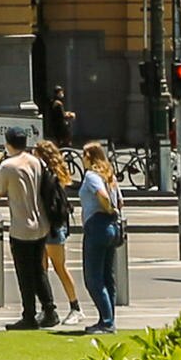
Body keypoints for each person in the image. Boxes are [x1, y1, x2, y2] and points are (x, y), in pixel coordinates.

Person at [0, 133, 56, 329]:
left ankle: (29, 315)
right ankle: (49, 309)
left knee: (24, 273)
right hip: (40, 222)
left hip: (21, 226)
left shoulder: (7, 166)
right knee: (38, 270)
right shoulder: (36, 162)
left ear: (8, 144)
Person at [75, 141, 126, 332]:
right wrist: (113, 212)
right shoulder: (110, 176)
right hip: (112, 227)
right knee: (107, 277)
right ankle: (109, 319)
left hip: (97, 226)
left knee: (93, 278)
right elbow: (121, 201)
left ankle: (106, 322)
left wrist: (106, 209)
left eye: (83, 156)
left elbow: (103, 196)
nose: (82, 160)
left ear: (89, 157)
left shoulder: (91, 176)